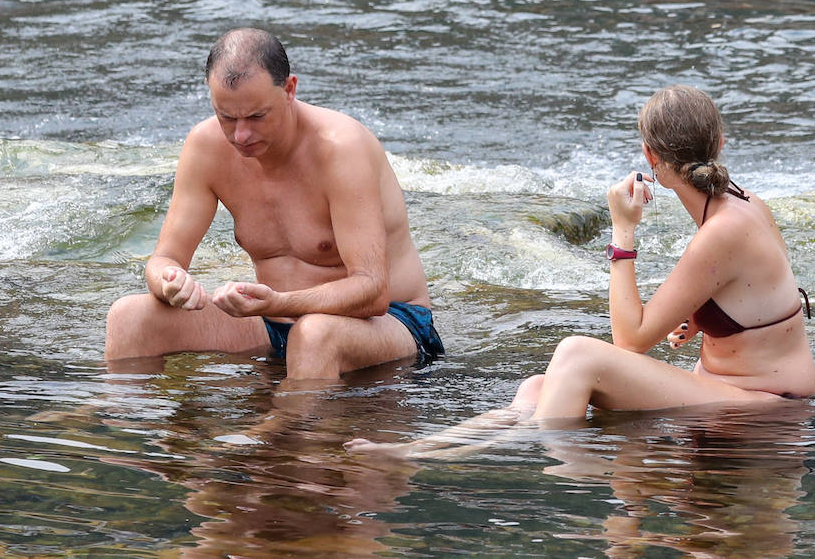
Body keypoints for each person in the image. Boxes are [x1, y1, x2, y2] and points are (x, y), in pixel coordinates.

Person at [348, 84, 815, 457]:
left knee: (579, 354)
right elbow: (759, 294)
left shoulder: (722, 232)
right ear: (719, 143)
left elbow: (629, 340)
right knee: (538, 387)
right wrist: (702, 318)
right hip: (732, 390)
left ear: (650, 157)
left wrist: (622, 230)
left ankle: (536, 461)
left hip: (770, 408)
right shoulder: (743, 203)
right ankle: (418, 452)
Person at [104, 27, 442, 380]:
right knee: (129, 317)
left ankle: (272, 432)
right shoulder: (206, 147)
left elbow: (372, 291)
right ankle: (121, 423)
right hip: (273, 322)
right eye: (226, 117)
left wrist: (279, 302)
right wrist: (169, 282)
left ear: (289, 90)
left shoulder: (340, 148)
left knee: (314, 334)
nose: (240, 135)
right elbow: (163, 259)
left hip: (387, 322)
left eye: (256, 117)